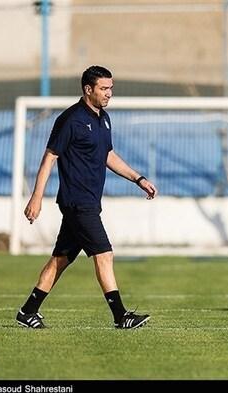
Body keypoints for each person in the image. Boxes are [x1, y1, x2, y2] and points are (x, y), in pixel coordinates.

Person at [16, 65, 157, 329]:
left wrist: (138, 179)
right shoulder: (70, 120)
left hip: (89, 202)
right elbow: (49, 158)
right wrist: (36, 198)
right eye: (104, 89)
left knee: (60, 259)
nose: (109, 94)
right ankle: (120, 316)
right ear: (88, 89)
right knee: (104, 254)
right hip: (77, 202)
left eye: (111, 88)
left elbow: (107, 155)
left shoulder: (103, 118)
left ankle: (27, 311)